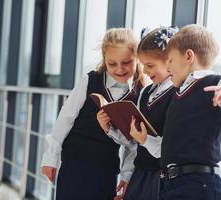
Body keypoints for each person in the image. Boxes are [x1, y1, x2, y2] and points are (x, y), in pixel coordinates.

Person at [131, 24, 221, 200]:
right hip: (170, 184)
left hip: (198, 186)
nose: (169, 68)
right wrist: (144, 139)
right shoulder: (177, 94)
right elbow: (169, 150)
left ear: (188, 56)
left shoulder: (214, 83)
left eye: (170, 60)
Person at [40, 28, 144, 200]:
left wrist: (127, 177)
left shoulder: (140, 94)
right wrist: (50, 158)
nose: (119, 69)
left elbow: (133, 145)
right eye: (112, 64)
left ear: (137, 59)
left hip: (107, 169)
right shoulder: (90, 81)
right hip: (74, 163)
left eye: (126, 62)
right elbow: (65, 119)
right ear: (104, 59)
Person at [97, 26, 178, 200]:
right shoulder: (146, 93)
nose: (146, 72)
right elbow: (133, 142)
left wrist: (144, 139)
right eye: (144, 66)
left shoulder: (177, 94)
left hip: (161, 178)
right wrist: (109, 128)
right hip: (140, 174)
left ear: (170, 61)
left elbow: (174, 147)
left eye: (150, 66)